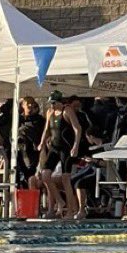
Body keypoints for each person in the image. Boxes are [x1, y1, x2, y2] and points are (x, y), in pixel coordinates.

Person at [38, 91, 81, 219]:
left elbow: (77, 129)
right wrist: (41, 143)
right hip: (54, 148)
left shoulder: (67, 111)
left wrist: (75, 146)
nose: (51, 105)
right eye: (50, 103)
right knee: (45, 175)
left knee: (65, 179)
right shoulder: (49, 112)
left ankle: (71, 211)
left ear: (59, 102)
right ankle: (60, 201)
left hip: (66, 149)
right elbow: (46, 130)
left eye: (53, 103)